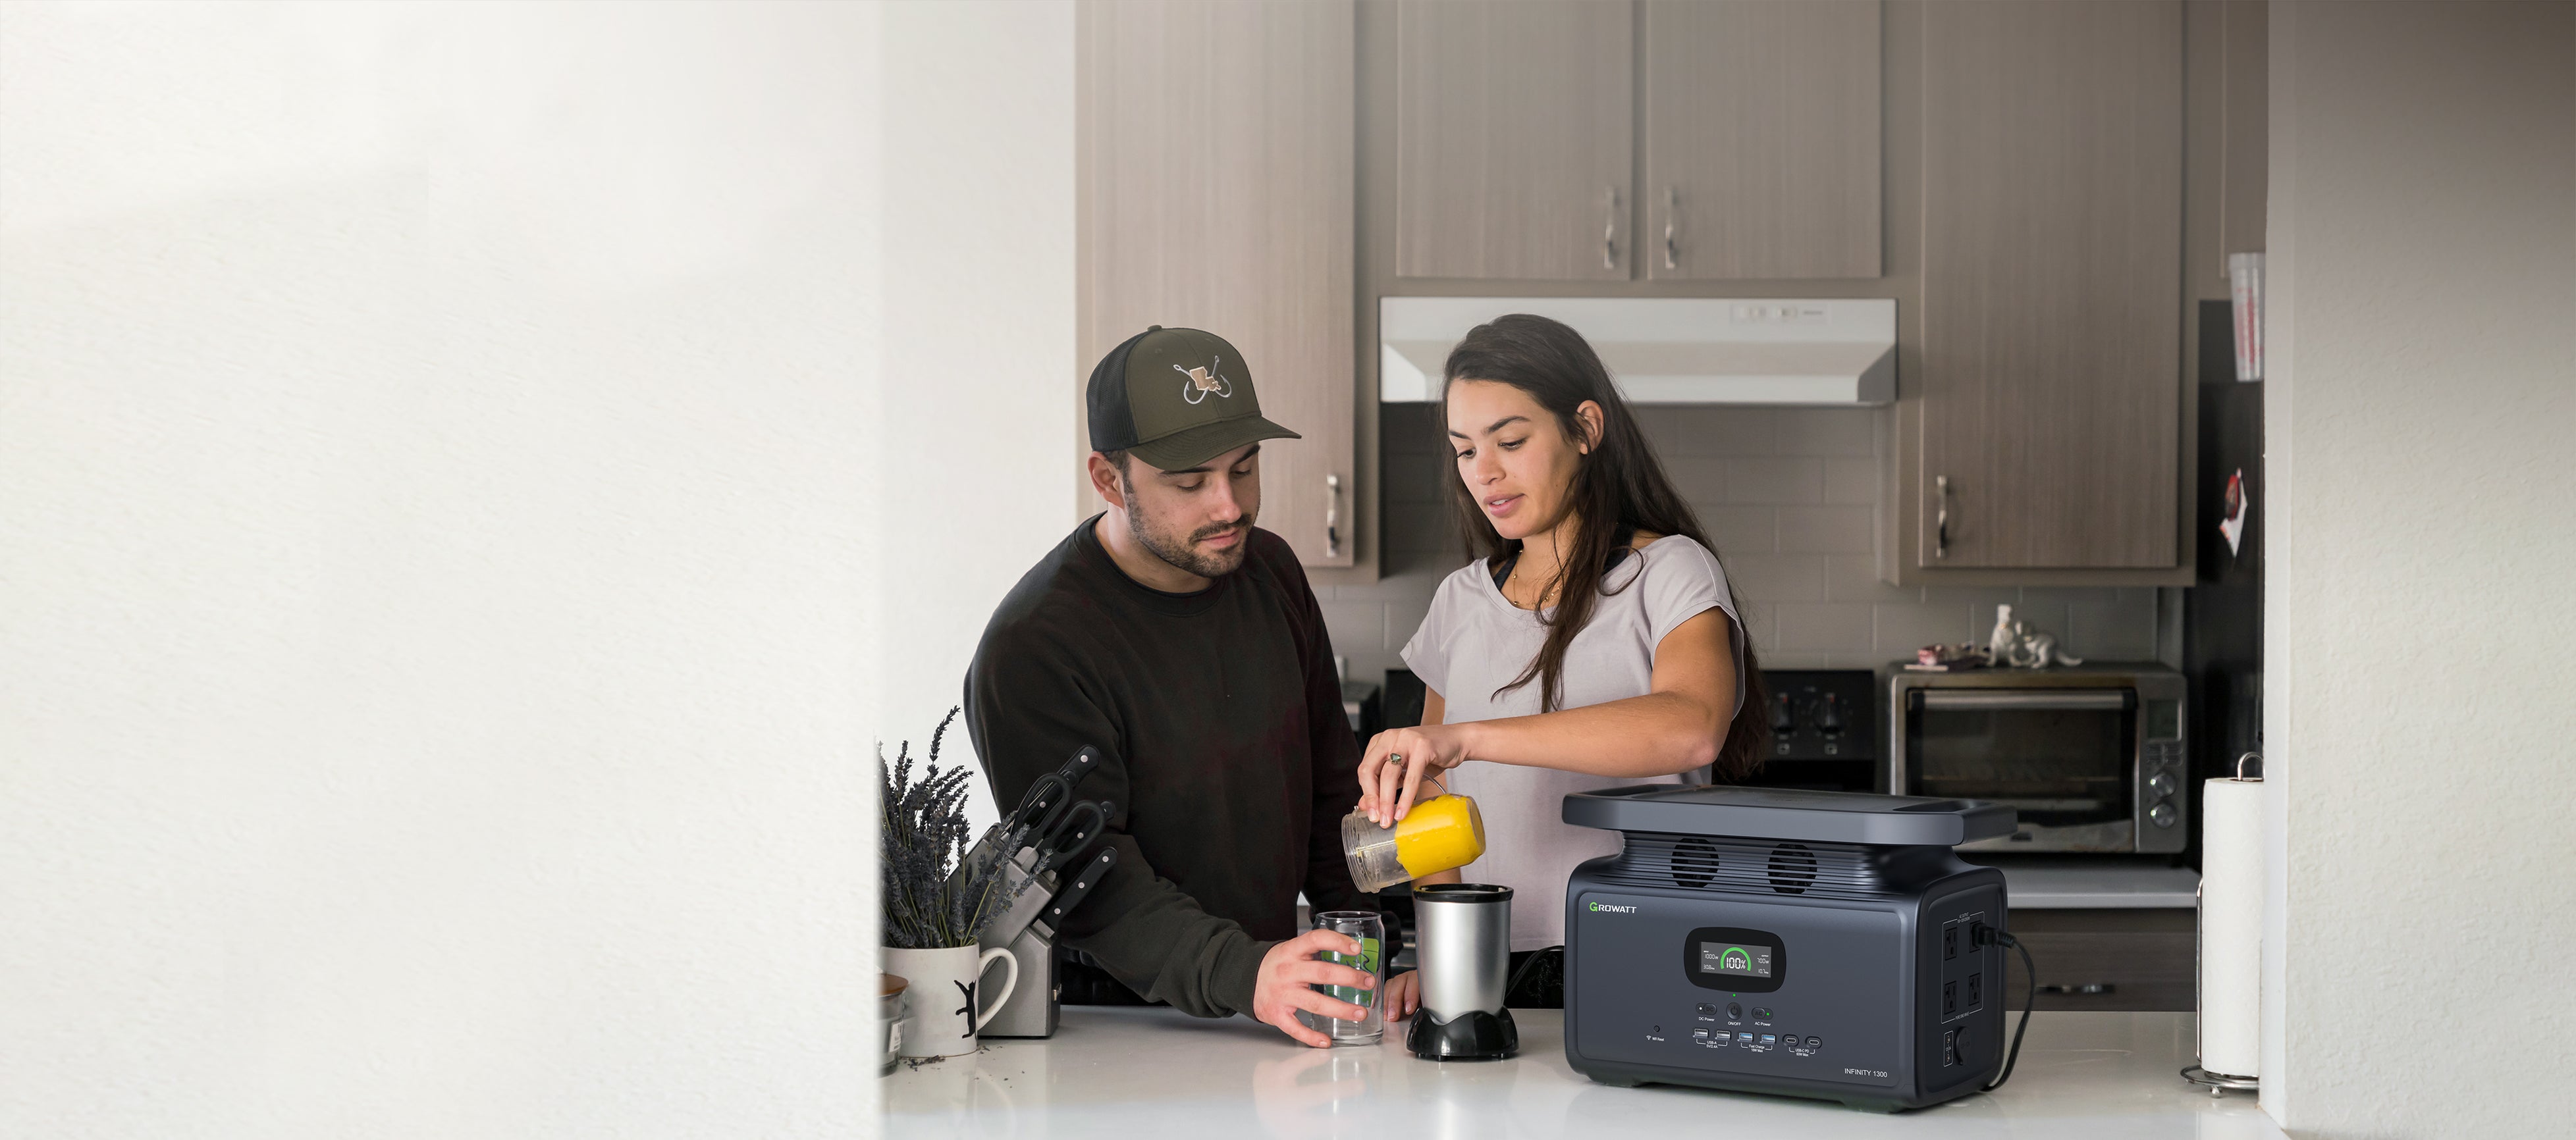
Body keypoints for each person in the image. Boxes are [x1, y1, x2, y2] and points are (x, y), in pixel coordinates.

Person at [965, 324, 1419, 1047]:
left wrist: (1385, 944)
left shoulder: (1270, 571)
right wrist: (1249, 974)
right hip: (1113, 1029)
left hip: (1276, 1003)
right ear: (1110, 479)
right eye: (1190, 482)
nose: (1230, 506)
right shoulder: (1035, 648)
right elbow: (1093, 881)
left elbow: (1334, 793)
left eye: (1244, 468)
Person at [1355, 314, 1771, 1005]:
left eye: (1510, 441)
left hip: (1642, 956)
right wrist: (1444, 959)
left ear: (1584, 428)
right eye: (1463, 450)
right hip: (1490, 967)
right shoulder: (1459, 600)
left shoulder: (1670, 571)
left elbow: (1691, 726)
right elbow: (1431, 808)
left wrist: (1466, 737)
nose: (1483, 473)